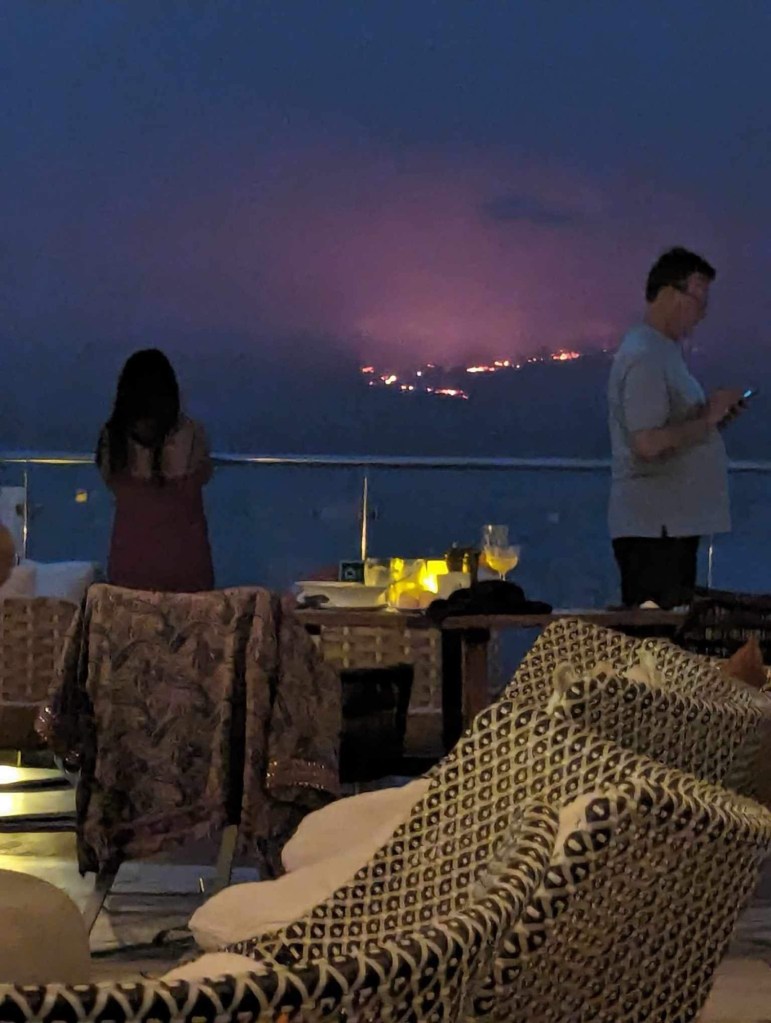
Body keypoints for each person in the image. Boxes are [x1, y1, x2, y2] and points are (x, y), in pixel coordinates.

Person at [607, 247, 745, 609]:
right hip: (655, 532)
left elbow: (670, 431)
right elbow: (647, 443)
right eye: (699, 299)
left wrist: (711, 418)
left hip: (669, 528)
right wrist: (708, 419)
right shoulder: (646, 356)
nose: (703, 313)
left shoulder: (661, 353)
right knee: (658, 636)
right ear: (669, 293)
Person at [96, 348, 214, 593]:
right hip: (186, 564)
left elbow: (110, 480)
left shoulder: (113, 439)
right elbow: (202, 474)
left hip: (129, 563)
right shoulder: (192, 434)